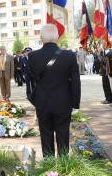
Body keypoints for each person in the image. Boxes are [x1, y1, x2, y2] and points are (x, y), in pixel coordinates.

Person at [28, 24, 81, 157]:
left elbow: (30, 80)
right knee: (63, 134)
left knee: (46, 135)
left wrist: (32, 98)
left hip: (42, 103)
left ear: (41, 38)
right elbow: (75, 82)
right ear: (57, 37)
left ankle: (49, 166)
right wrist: (75, 104)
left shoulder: (33, 56)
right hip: (63, 102)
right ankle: (63, 166)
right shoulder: (69, 55)